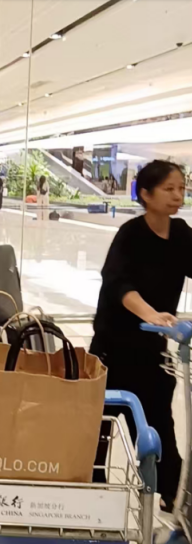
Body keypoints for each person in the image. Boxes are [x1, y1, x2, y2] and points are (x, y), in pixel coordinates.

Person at [91, 160, 192, 512]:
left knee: (159, 420)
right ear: (146, 194)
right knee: (100, 424)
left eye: (181, 188)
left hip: (152, 347)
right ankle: (91, 491)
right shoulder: (131, 235)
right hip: (113, 346)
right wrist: (151, 314)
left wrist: (158, 322)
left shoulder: (181, 234)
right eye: (169, 188)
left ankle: (172, 495)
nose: (177, 195)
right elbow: (118, 284)